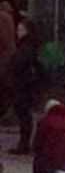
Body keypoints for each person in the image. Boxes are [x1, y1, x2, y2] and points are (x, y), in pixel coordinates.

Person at [9, 18, 44, 155]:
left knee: (24, 115)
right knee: (25, 115)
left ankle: (24, 144)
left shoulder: (26, 47)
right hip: (26, 85)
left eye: (20, 29)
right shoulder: (30, 46)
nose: (17, 32)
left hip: (24, 85)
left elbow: (20, 64)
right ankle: (24, 143)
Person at [0, 0, 16, 116]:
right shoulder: (9, 18)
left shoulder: (2, 17)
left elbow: (3, 38)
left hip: (4, 56)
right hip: (10, 55)